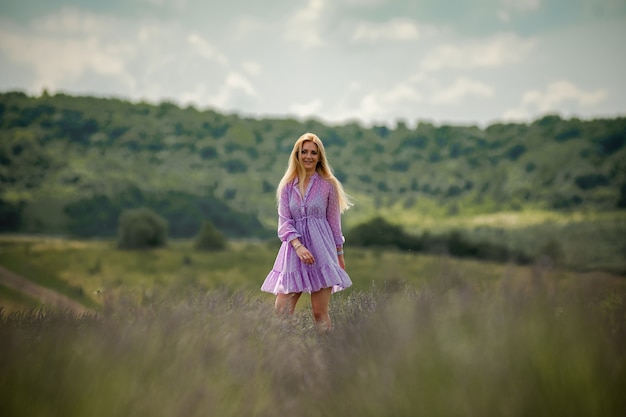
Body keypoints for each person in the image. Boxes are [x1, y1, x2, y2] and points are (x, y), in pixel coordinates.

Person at [261, 132, 353, 331]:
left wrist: (339, 256)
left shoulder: (328, 185)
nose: (308, 156)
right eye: (304, 152)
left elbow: (334, 224)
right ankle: (282, 354)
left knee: (319, 313)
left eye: (313, 152)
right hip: (294, 254)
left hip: (323, 252)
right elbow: (284, 222)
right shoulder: (287, 186)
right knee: (281, 312)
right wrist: (298, 246)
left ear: (320, 156)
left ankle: (329, 353)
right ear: (297, 155)